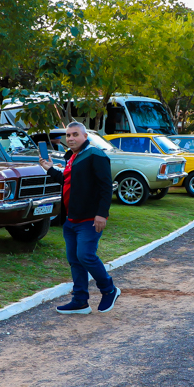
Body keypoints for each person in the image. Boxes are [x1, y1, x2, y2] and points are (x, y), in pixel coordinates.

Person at [40, 121, 119, 314]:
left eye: (75, 134)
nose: (70, 138)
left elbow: (105, 186)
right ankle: (80, 301)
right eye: (68, 135)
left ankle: (109, 290)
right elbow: (68, 182)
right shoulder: (72, 157)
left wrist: (102, 214)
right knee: (75, 260)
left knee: (85, 256)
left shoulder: (95, 155)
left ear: (85, 136)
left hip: (89, 219)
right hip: (71, 220)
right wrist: (50, 169)